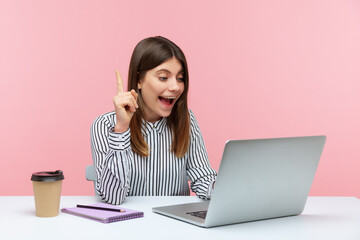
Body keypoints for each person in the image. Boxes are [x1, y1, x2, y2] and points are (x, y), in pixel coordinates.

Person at [91, 36, 217, 205]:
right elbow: (113, 198)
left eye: (180, 78)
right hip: (128, 225)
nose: (175, 87)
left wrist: (230, 188)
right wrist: (121, 129)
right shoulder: (105, 125)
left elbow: (203, 177)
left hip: (175, 225)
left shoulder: (187, 119)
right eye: (164, 77)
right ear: (139, 80)